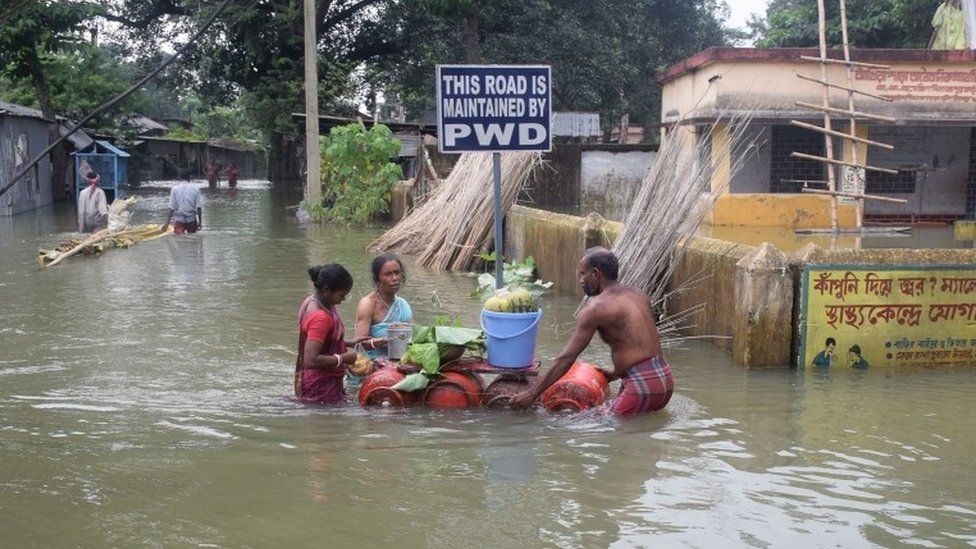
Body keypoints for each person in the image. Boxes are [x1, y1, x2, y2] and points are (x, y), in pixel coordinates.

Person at [510, 247, 674, 415]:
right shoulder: (639, 295)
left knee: (595, 425)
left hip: (642, 386)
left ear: (596, 274)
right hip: (665, 380)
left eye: (582, 274)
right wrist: (615, 373)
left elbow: (566, 359)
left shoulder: (595, 309)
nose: (580, 280)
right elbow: (641, 344)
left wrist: (532, 393)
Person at [295, 264, 362, 404]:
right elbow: (311, 359)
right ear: (326, 290)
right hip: (320, 386)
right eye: (341, 295)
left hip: (311, 380)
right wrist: (343, 358)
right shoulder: (321, 318)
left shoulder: (311, 301)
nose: (343, 299)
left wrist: (350, 342)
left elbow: (322, 341)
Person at [350, 254, 413, 387]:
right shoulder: (368, 304)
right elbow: (358, 344)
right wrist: (385, 340)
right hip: (372, 365)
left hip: (399, 363)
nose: (395, 278)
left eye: (397, 273)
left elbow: (413, 338)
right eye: (388, 274)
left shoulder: (403, 305)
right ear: (377, 279)